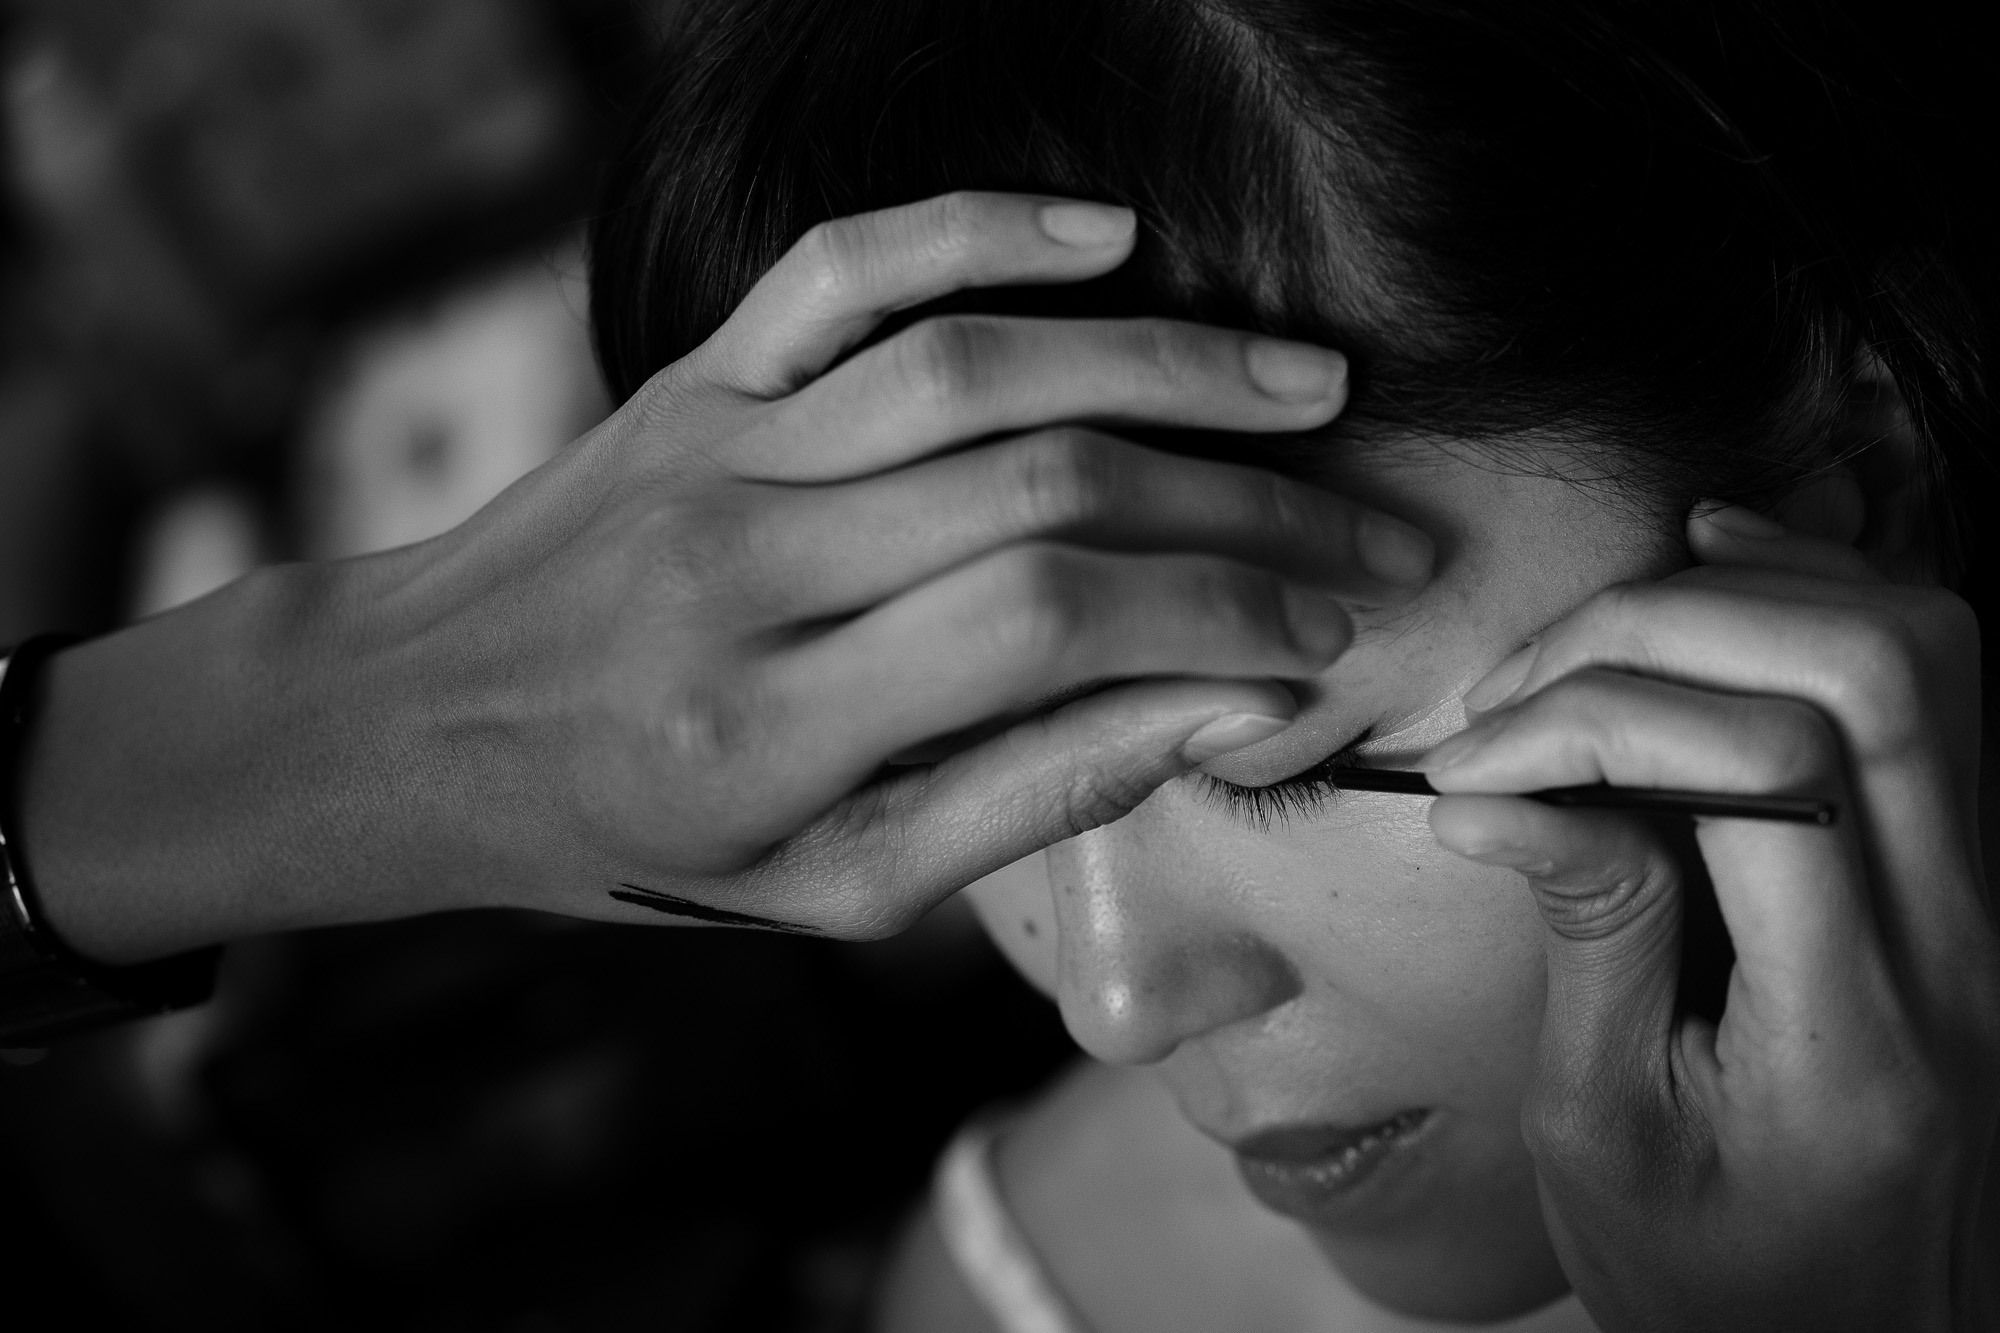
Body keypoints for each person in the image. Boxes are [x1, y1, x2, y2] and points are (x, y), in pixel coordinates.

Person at [1, 0, 1992, 1328]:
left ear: (1855, 481)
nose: (1117, 995)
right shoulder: (1033, 1286)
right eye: (939, 781)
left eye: (1278, 757)